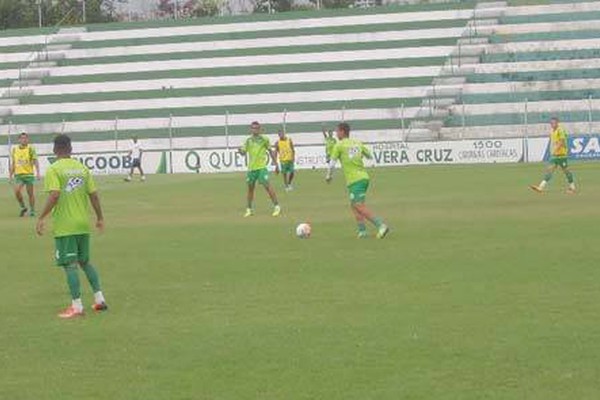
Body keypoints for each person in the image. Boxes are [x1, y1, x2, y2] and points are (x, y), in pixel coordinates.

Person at [36, 134, 108, 319]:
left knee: (70, 265)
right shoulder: (82, 168)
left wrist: (41, 217)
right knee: (85, 261)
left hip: (66, 225)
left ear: (54, 149)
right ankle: (99, 300)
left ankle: (77, 306)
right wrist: (99, 217)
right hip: (83, 224)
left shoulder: (54, 169)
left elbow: (54, 195)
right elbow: (94, 195)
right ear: (71, 149)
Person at [326, 122, 389, 239]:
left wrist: (328, 176)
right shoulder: (357, 143)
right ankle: (362, 231)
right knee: (354, 205)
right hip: (363, 177)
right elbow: (369, 155)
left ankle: (381, 225)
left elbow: (332, 163)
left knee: (358, 205)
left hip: (355, 180)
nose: (336, 133)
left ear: (342, 132)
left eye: (337, 131)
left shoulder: (339, 145)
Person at [238, 121, 281, 217]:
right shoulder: (248, 140)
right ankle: (249, 209)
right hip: (251, 168)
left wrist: (276, 164)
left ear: (260, 129)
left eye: (256, 128)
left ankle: (277, 206)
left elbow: (270, 151)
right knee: (250, 188)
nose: (255, 130)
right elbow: (243, 152)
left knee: (267, 186)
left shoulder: (264, 139)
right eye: (253, 128)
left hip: (261, 167)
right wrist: (240, 151)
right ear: (251, 129)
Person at [530, 117, 576, 194]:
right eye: (551, 123)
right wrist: (552, 151)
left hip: (561, 155)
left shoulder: (560, 130)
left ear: (557, 123)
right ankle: (540, 187)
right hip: (555, 155)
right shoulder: (552, 131)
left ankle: (572, 187)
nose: (552, 124)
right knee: (550, 170)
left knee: (566, 171)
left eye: (554, 123)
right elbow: (554, 142)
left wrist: (555, 150)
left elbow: (561, 142)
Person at [9, 132, 40, 217]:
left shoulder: (30, 149)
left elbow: (35, 161)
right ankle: (23, 207)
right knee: (17, 191)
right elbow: (13, 163)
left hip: (29, 174)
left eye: (25, 138)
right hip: (19, 175)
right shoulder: (15, 149)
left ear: (28, 139)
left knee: (30, 194)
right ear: (19, 140)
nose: (24, 140)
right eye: (22, 138)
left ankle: (32, 210)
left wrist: (38, 173)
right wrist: (10, 175)